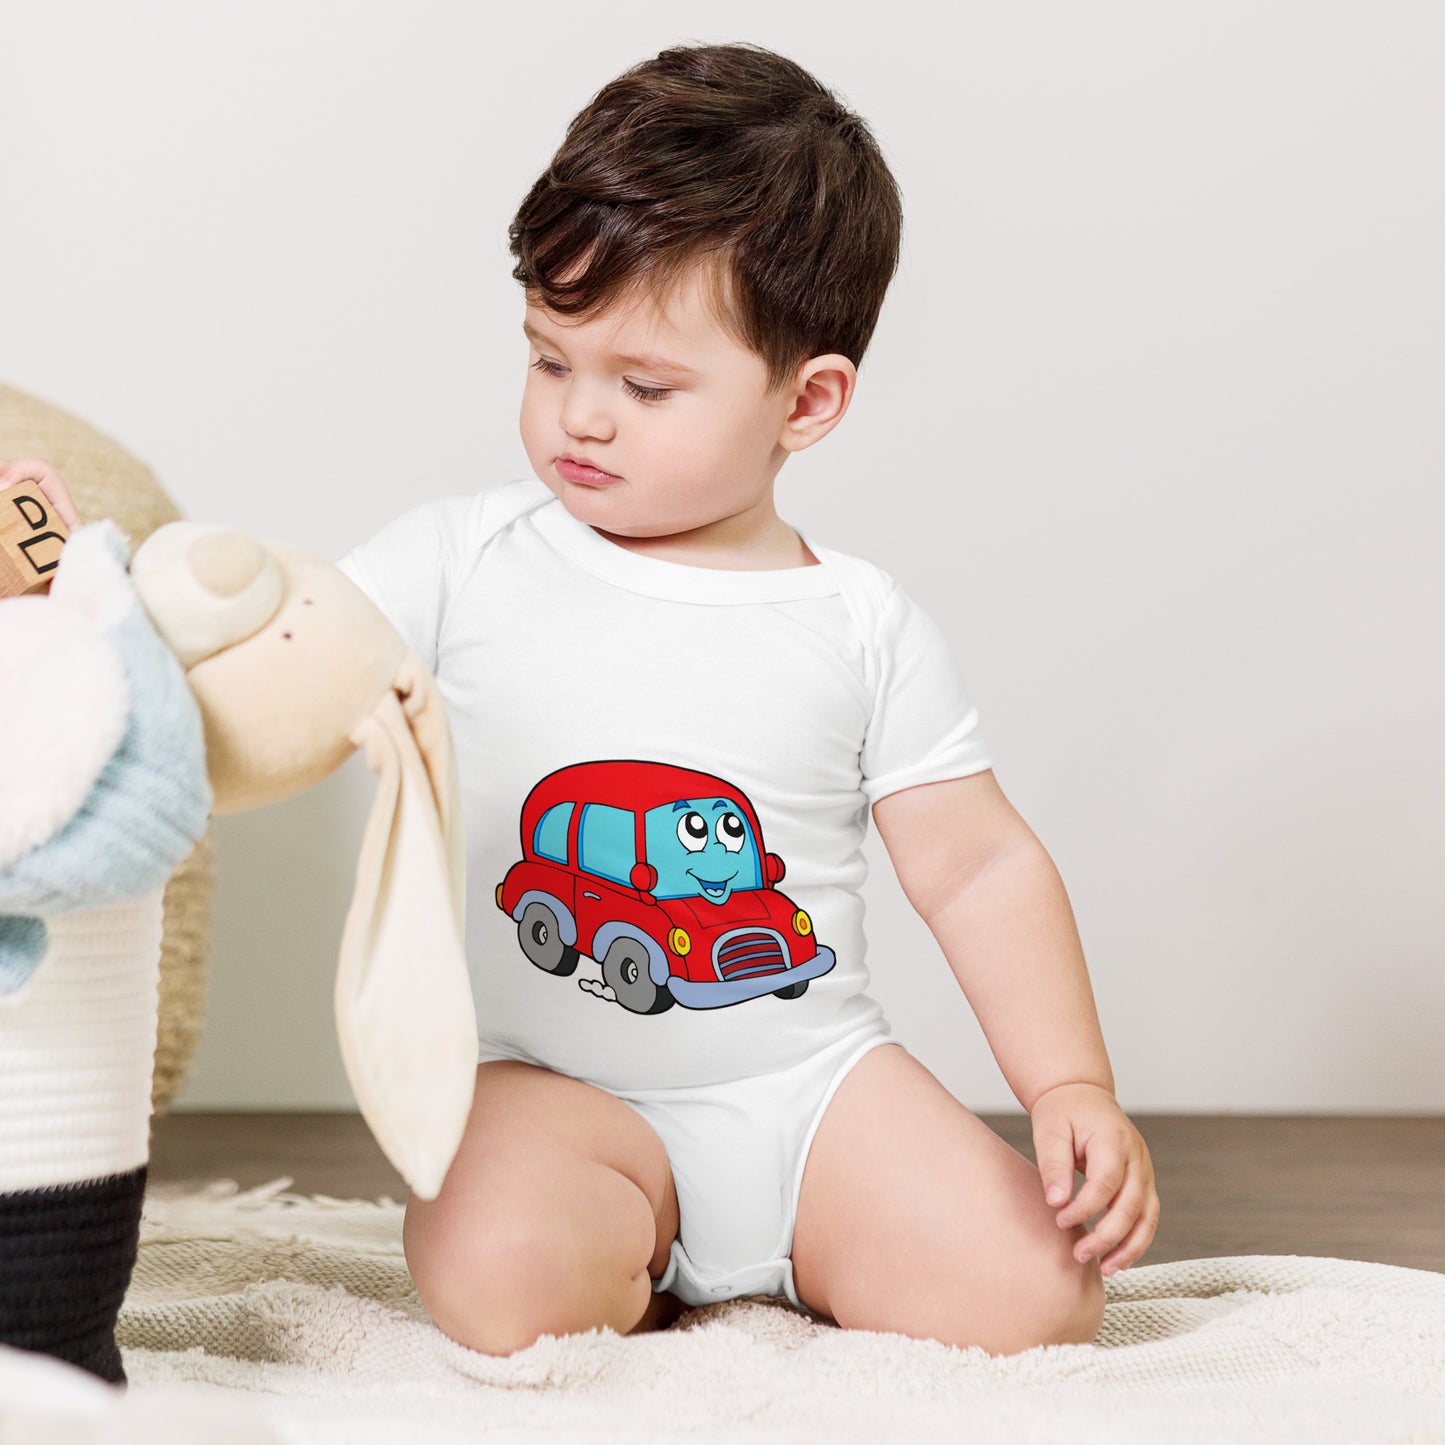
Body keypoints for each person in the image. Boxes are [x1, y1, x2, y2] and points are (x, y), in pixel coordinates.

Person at [5, 40, 1159, 1358]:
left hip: (808, 1086)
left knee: (1039, 1297)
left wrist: (1067, 1082)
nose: (579, 419)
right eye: (551, 361)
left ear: (809, 399)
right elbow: (288, 649)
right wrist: (99, 617)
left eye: (645, 385)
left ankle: (797, 1249)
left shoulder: (858, 622)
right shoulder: (465, 560)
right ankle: (638, 1256)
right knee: (492, 1272)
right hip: (561, 1091)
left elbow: (975, 869)